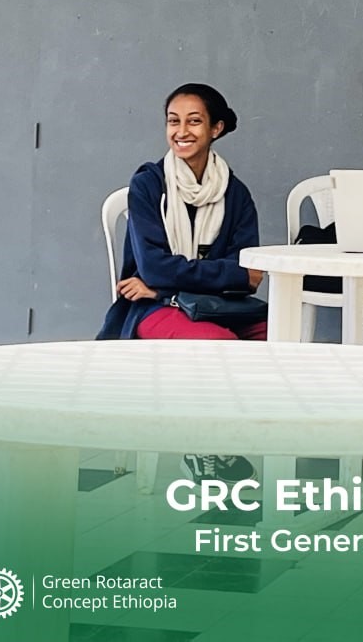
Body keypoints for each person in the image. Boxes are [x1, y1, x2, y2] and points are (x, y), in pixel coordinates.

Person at [98, 83, 266, 483]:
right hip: (149, 308)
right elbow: (154, 267)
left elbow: (249, 274)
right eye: (173, 121)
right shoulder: (148, 185)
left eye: (194, 121)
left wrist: (167, 283)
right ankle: (202, 446)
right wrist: (165, 288)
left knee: (281, 341)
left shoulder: (235, 193)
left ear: (216, 129)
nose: (181, 131)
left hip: (213, 305)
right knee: (220, 347)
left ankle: (230, 441)